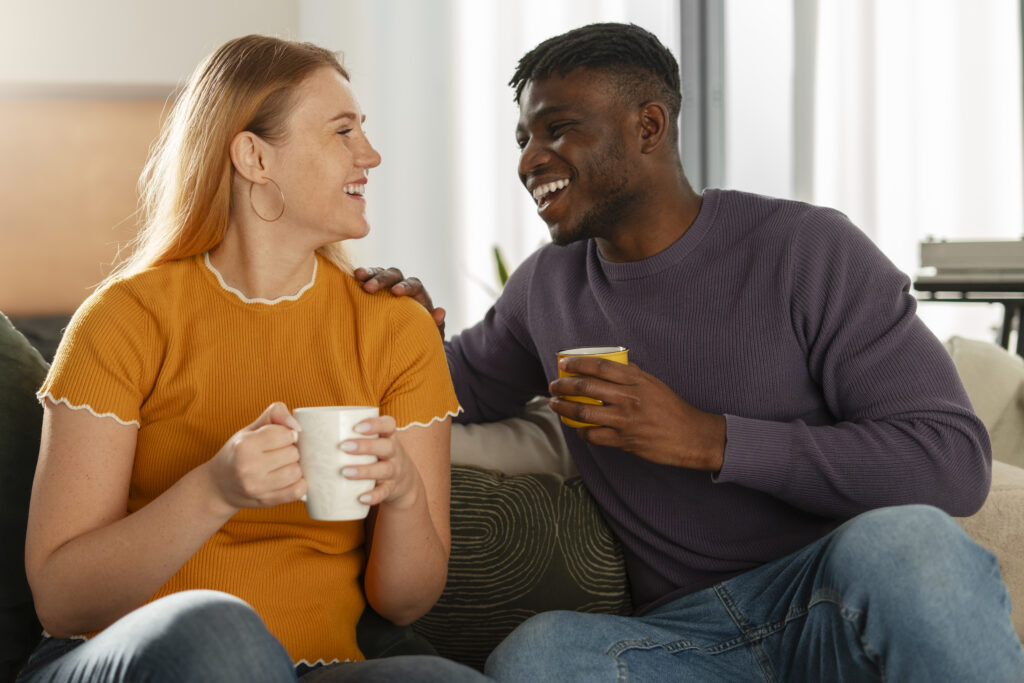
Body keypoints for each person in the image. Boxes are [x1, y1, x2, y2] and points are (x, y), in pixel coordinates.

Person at [357, 22, 1024, 682]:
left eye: (557, 129)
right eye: (523, 138)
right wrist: (400, 332)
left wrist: (710, 439)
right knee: (538, 654)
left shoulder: (806, 250)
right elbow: (448, 391)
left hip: (833, 598)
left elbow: (951, 461)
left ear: (648, 127)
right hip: (684, 638)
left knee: (911, 544)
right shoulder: (546, 288)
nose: (529, 159)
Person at [18, 35, 488, 683]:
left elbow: (403, 601)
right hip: (114, 654)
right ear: (253, 156)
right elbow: (63, 598)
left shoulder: (396, 328)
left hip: (315, 666)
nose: (371, 155)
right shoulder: (125, 319)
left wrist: (405, 494)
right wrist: (216, 490)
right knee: (222, 631)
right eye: (342, 131)